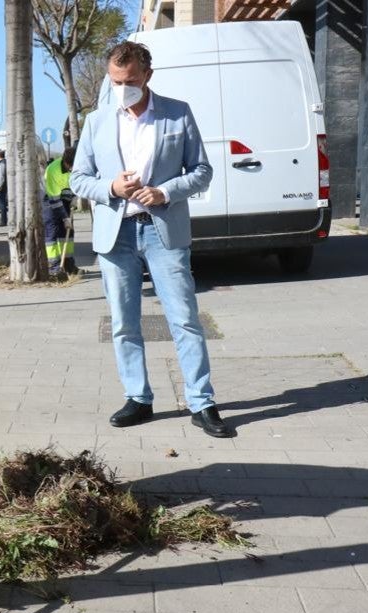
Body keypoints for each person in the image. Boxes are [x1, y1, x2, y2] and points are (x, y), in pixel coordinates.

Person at [70, 40, 233, 438]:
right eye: (114, 81)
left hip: (163, 229)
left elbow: (202, 171)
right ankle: (138, 398)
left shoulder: (177, 114)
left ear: (147, 76)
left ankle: (202, 402)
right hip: (116, 233)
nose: (121, 88)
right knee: (124, 322)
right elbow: (78, 179)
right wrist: (111, 186)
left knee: (184, 318)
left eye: (129, 81)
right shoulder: (97, 121)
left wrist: (165, 191)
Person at [43, 147, 77, 273]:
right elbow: (54, 200)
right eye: (70, 166)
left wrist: (75, 197)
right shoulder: (53, 170)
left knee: (68, 233)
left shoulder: (77, 166)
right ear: (65, 161)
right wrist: (65, 217)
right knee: (52, 233)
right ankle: (54, 267)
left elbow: (77, 183)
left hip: (66, 201)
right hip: (50, 202)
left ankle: (68, 265)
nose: (72, 169)